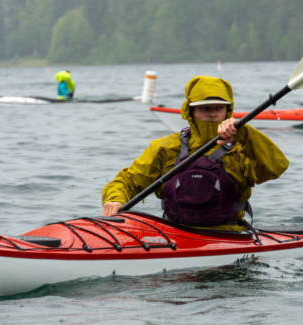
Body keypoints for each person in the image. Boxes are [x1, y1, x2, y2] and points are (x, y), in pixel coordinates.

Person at [102, 76, 289, 232]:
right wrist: (115, 198)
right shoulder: (166, 148)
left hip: (229, 237)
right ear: (190, 111)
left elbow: (277, 167)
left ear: (228, 111)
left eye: (218, 108)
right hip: (175, 235)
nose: (212, 114)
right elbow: (127, 181)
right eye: (204, 108)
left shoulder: (241, 148)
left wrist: (245, 133)